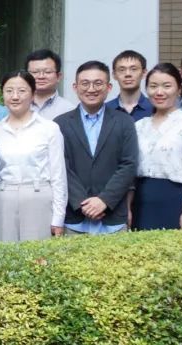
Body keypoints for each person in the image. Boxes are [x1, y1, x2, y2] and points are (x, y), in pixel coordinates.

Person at [54, 61, 137, 235]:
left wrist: (104, 200)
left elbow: (129, 165)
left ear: (109, 87)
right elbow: (61, 167)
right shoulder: (60, 123)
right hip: (75, 217)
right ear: (75, 87)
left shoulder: (124, 122)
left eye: (98, 83)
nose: (91, 89)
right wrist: (82, 203)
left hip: (112, 217)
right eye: (85, 83)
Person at [0, 71, 67, 242]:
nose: (15, 96)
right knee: (5, 254)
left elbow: (58, 176)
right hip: (4, 197)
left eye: (22, 91)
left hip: (39, 196)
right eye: (9, 91)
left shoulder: (49, 128)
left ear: (33, 94)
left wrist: (58, 217)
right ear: (2, 94)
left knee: (38, 254)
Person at [132, 63, 182, 230]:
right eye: (153, 86)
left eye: (167, 86)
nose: (159, 92)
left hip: (175, 199)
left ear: (179, 89)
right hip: (141, 200)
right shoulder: (139, 126)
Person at [25, 49, 76, 120]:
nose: (41, 76)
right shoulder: (15, 106)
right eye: (35, 72)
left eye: (47, 72)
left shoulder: (69, 110)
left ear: (58, 77)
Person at [105, 50, 152, 122]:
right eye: (122, 70)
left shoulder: (155, 108)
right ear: (114, 75)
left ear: (144, 73)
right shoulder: (105, 110)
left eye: (133, 69)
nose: (128, 74)